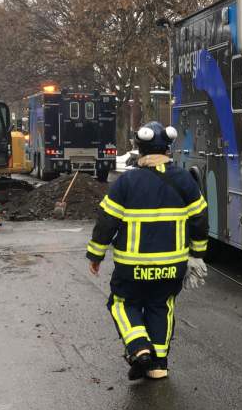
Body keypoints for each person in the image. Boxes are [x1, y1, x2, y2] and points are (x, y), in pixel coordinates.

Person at [86, 122, 209, 380]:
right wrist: (197, 254)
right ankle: (159, 364)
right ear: (168, 147)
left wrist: (96, 255)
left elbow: (107, 220)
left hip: (131, 267)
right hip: (171, 266)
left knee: (122, 303)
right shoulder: (184, 180)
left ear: (139, 148)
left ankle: (139, 348)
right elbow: (200, 218)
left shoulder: (126, 182)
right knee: (161, 306)